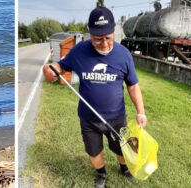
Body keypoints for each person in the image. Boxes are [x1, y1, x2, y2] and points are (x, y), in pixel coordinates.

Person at [43, 7, 147, 188]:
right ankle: (101, 174)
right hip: (89, 118)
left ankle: (124, 168)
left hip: (116, 117)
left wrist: (141, 112)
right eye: (98, 39)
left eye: (108, 38)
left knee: (121, 147)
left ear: (113, 31)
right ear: (90, 34)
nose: (104, 44)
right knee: (93, 150)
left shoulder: (124, 55)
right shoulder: (79, 51)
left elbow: (133, 85)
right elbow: (60, 67)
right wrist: (50, 70)